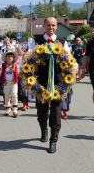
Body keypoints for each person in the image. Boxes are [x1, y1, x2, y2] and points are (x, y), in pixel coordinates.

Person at [33, 17, 70, 154]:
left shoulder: (62, 41)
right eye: (49, 25)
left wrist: (69, 76)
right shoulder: (36, 40)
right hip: (40, 81)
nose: (51, 27)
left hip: (57, 81)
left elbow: (69, 60)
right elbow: (28, 60)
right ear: (44, 25)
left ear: (56, 27)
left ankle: (53, 141)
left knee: (55, 110)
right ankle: (44, 130)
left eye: (54, 25)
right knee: (41, 111)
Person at [0, 51, 19, 117]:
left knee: (14, 95)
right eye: (8, 56)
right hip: (6, 82)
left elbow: (17, 74)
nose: (9, 58)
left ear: (13, 58)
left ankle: (15, 109)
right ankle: (8, 109)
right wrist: (2, 80)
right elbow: (2, 73)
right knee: (7, 96)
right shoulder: (4, 65)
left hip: (13, 82)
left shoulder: (15, 65)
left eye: (11, 56)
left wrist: (14, 68)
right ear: (6, 58)